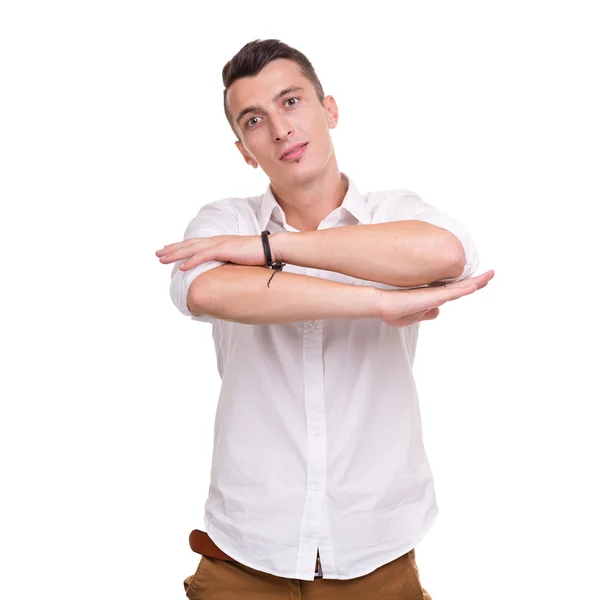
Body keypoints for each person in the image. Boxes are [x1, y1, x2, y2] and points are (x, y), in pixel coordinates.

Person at [156, 38, 494, 600]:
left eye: (291, 102)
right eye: (255, 119)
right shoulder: (222, 221)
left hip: (376, 549)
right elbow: (209, 289)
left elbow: (444, 255)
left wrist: (268, 250)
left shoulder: (394, 214)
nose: (281, 129)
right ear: (243, 148)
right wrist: (376, 301)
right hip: (245, 549)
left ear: (328, 109)